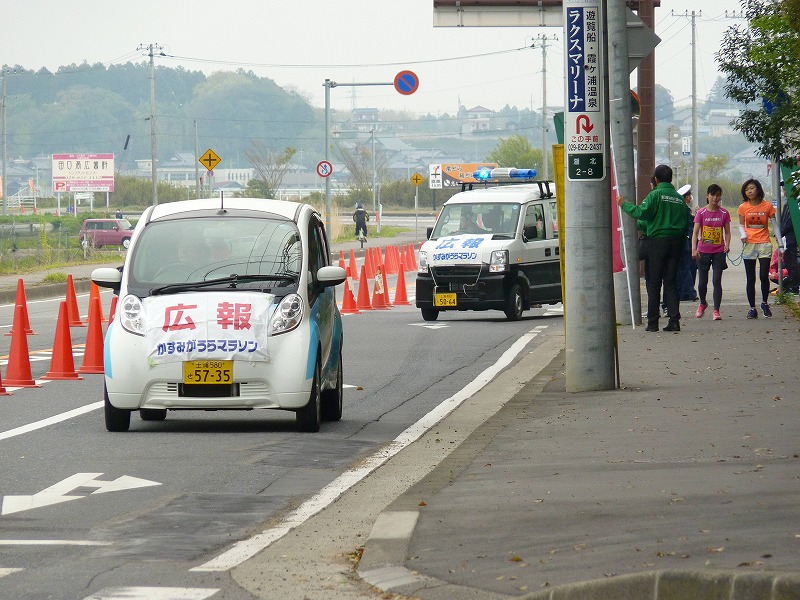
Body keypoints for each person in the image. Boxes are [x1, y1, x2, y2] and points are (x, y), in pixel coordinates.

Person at [618, 164, 688, 332]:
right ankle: (674, 320)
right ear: (671, 179)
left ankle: (653, 322)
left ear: (656, 180)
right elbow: (686, 222)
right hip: (677, 242)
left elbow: (641, 213)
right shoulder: (679, 198)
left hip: (658, 242)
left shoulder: (655, 195)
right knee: (671, 281)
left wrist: (623, 204)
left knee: (655, 282)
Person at [737, 178, 780, 318]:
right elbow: (740, 225)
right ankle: (752, 308)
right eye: (746, 189)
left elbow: (774, 225)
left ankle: (764, 303)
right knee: (750, 277)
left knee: (763, 276)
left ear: (758, 189)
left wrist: (780, 244)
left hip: (764, 243)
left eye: (752, 188)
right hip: (749, 244)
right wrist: (743, 235)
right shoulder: (743, 207)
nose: (749, 191)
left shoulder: (767, 206)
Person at [691, 184, 731, 321]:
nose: (715, 198)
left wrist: (727, 244)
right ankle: (703, 303)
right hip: (703, 251)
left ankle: (716, 310)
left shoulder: (724, 213)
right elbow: (695, 232)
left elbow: (727, 231)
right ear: (707, 196)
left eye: (718, 195)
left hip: (719, 251)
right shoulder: (701, 213)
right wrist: (694, 249)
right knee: (702, 282)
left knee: (716, 280)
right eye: (713, 195)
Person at [676, 184, 698, 302]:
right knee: (686, 268)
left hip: (687, 241)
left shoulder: (686, 209)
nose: (691, 197)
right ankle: (688, 292)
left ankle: (685, 292)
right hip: (687, 242)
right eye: (689, 195)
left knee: (687, 268)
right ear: (686, 197)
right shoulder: (684, 210)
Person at [780, 191, 799, 294]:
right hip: (785, 238)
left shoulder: (794, 204)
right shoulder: (788, 203)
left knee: (792, 264)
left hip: (790, 238)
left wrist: (781, 232)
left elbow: (791, 222)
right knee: (788, 263)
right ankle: (791, 286)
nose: (784, 191)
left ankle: (794, 288)